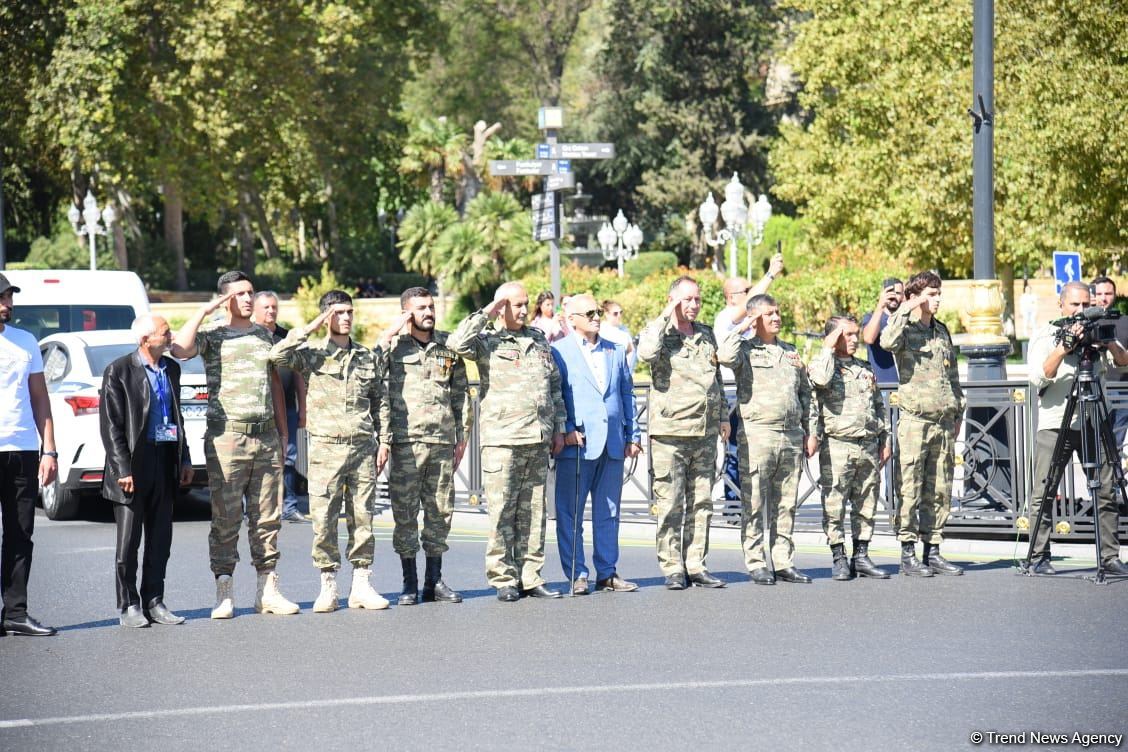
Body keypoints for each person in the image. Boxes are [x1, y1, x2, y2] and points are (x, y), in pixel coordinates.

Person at [171, 271, 299, 618]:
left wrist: (284, 432)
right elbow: (179, 348)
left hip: (267, 436)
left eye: (250, 293)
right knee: (226, 517)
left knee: (267, 518)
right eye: (241, 294)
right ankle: (224, 591)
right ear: (225, 298)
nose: (248, 298)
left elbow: (275, 383)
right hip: (227, 438)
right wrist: (204, 310)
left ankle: (267, 591)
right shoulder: (212, 335)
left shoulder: (263, 336)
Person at [270, 290, 388, 612]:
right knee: (324, 520)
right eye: (339, 313)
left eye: (350, 312)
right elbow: (277, 356)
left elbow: (380, 401)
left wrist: (386, 440)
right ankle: (328, 585)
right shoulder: (312, 355)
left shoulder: (366, 356)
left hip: (363, 448)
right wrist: (311, 327)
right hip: (326, 450)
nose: (346, 318)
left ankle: (362, 584)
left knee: (363, 518)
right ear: (327, 317)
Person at [448, 281, 567, 602]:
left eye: (525, 303)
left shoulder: (538, 339)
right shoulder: (487, 342)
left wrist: (558, 427)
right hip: (503, 438)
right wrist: (488, 311)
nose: (524, 309)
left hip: (537, 437)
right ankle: (504, 577)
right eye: (516, 304)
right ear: (502, 307)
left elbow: (553, 385)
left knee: (534, 511)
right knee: (502, 511)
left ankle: (531, 575)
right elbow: (458, 342)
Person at [376, 287, 471, 606]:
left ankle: (434, 580)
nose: (428, 312)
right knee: (405, 514)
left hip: (442, 443)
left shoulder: (448, 347)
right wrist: (385, 440)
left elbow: (460, 395)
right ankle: (409, 582)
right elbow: (375, 383)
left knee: (440, 512)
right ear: (406, 312)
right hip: (406, 443)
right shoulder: (394, 348)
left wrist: (462, 437)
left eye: (431, 306)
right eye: (420, 308)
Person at [1025, 281, 1128, 576]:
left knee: (1105, 490)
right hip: (1057, 422)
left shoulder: (1099, 329)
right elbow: (1040, 376)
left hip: (1094, 419)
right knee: (1044, 490)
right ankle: (1038, 555)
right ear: (1062, 305)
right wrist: (1063, 346)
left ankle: (1109, 556)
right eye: (1075, 305)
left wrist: (1106, 340)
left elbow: (1123, 361)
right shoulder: (1047, 334)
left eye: (1086, 305)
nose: (1081, 311)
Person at [99, 315, 194, 627]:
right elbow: (111, 425)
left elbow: (177, 420)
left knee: (160, 538)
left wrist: (185, 459)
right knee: (128, 542)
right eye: (166, 333)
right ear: (145, 339)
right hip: (132, 466)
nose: (171, 337)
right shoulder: (119, 371)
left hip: (164, 459)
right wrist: (122, 468)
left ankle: (154, 601)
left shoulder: (172, 369)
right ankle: (129, 605)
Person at [718, 293, 817, 584]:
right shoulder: (745, 350)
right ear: (754, 318)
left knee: (786, 502)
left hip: (790, 434)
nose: (776, 318)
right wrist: (742, 326)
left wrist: (810, 431)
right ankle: (757, 561)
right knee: (755, 501)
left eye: (777, 312)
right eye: (768, 313)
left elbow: (805, 394)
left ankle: (783, 560)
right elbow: (723, 355)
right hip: (758, 433)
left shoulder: (790, 351)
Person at [637, 275, 729, 590]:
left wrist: (723, 417)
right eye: (686, 299)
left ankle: (696, 563)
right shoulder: (658, 330)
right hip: (670, 433)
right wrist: (666, 314)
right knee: (671, 503)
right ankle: (673, 566)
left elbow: (715, 378)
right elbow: (646, 354)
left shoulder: (705, 334)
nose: (693, 305)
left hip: (703, 432)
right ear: (673, 299)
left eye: (697, 300)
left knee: (702, 502)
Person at [551, 293, 641, 595]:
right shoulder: (558, 352)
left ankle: (607, 573)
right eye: (588, 313)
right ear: (571, 319)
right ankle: (577, 574)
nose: (596, 317)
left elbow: (627, 394)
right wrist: (564, 430)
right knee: (570, 513)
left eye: (597, 312)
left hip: (613, 443)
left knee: (609, 512)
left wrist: (633, 435)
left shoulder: (615, 350)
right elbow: (555, 395)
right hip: (577, 444)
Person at [879, 271, 965, 577]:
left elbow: (952, 376)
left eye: (938, 293)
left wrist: (959, 412)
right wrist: (906, 306)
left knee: (939, 489)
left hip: (942, 422)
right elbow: (886, 342)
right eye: (930, 294)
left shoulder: (941, 332)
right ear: (917, 296)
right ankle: (907, 552)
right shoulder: (904, 327)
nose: (937, 299)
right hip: (915, 422)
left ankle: (934, 550)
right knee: (911, 488)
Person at [808, 315, 892, 581]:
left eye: (856, 334)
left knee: (866, 502)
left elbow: (878, 405)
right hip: (837, 445)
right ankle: (838, 556)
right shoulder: (824, 365)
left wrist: (885, 437)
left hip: (867, 444)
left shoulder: (864, 368)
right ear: (834, 338)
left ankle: (862, 555)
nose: (855, 339)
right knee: (834, 504)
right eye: (848, 335)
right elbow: (819, 381)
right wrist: (827, 347)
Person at [0, 273, 58, 637]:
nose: (7, 305)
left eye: (8, 298)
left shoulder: (25, 342)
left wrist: (49, 449)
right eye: (2, 298)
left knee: (21, 533)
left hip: (21, 449)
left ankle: (15, 613)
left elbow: (40, 398)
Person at [253, 291, 310, 524]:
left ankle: (289, 507)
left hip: (287, 408)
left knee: (289, 458)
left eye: (274, 307)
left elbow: (298, 375)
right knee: (255, 460)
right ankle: (253, 510)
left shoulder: (287, 337)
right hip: (257, 411)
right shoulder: (249, 336)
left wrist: (303, 409)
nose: (271, 311)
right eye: (266, 307)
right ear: (255, 310)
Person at [1089, 276, 1128, 454]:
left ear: (1115, 295)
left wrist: (1112, 345)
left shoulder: (1125, 321)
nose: (1103, 298)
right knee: (1095, 442)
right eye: (1099, 293)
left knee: (1116, 443)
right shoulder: (1085, 321)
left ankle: (1114, 479)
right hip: (1093, 388)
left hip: (1121, 389)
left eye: (1108, 293)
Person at [861, 278, 904, 385]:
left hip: (906, 385)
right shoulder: (872, 317)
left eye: (898, 293)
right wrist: (880, 306)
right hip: (882, 383)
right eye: (890, 293)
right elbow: (868, 338)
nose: (894, 297)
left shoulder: (906, 319)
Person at [598, 299, 636, 370]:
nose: (619, 315)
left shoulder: (624, 329)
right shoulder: (602, 330)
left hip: (626, 371)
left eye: (620, 312)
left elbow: (631, 350)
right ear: (607, 314)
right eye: (615, 313)